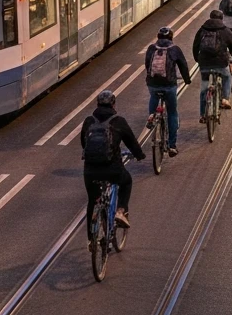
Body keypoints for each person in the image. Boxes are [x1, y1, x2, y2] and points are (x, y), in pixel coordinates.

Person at [80, 90, 145, 241]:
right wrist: (139, 155)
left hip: (90, 171)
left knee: (92, 200)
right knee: (126, 181)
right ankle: (121, 211)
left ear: (97, 104)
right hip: (113, 169)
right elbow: (131, 142)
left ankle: (91, 239)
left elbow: (84, 143)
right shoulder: (118, 121)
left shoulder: (89, 121)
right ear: (114, 104)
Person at [144, 26, 191, 157]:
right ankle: (172, 145)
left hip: (153, 84)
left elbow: (147, 64)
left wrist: (151, 79)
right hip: (169, 85)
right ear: (171, 37)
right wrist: (187, 80)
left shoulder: (151, 48)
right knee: (172, 113)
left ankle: (151, 116)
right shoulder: (174, 49)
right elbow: (183, 65)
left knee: (153, 96)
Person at [192, 8, 232, 117]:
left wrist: (197, 59)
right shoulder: (225, 30)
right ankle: (224, 99)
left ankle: (203, 114)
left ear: (210, 17)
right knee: (227, 77)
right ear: (221, 19)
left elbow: (195, 46)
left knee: (204, 86)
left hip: (204, 63)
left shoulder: (202, 29)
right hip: (221, 62)